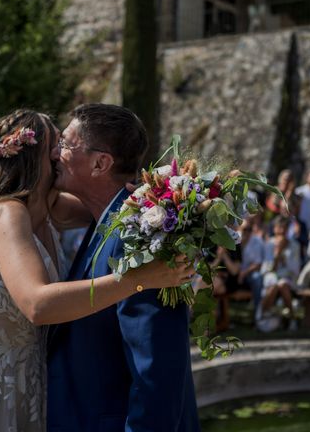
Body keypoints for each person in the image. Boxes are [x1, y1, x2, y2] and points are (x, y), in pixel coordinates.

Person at [0, 109, 191, 432]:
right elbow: (37, 304)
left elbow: (113, 201)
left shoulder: (48, 208)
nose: (59, 154)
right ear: (31, 154)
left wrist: (176, 210)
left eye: (65, 144)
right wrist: (139, 279)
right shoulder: (8, 214)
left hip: (25, 384)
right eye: (56, 144)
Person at [47, 104, 199, 432]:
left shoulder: (140, 238)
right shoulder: (107, 222)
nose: (54, 153)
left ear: (101, 163)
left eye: (65, 144)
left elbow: (157, 373)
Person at [259, 216, 302, 331]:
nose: (282, 231)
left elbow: (295, 269)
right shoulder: (269, 244)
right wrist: (277, 255)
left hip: (288, 277)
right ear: (275, 229)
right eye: (279, 228)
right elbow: (267, 268)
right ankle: (263, 315)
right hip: (271, 276)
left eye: (285, 228)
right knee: (274, 284)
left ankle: (292, 318)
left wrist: (284, 258)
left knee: (282, 284)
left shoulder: (295, 245)